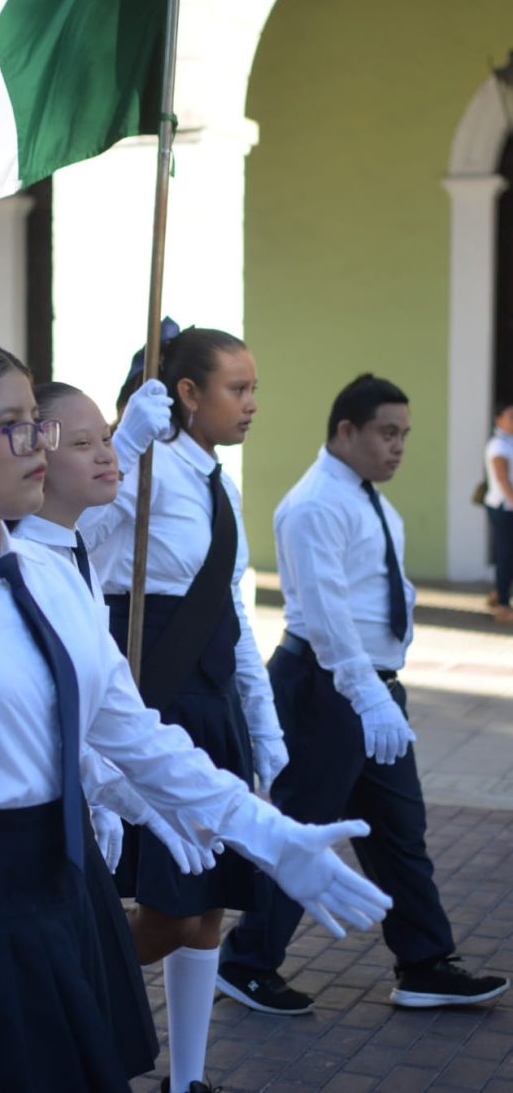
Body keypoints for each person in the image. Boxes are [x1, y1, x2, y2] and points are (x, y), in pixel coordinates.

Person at [0, 338, 390, 1093]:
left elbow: (137, 738)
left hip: (55, 908)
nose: (39, 449)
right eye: (15, 428)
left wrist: (273, 837)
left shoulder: (43, 575)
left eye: (39, 427)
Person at [218, 374, 510, 1016]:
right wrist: (365, 694)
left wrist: (381, 693)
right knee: (304, 829)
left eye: (404, 434)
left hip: (369, 690)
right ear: (345, 431)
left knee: (400, 833)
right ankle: (246, 962)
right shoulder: (317, 502)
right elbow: (324, 615)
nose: (398, 447)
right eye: (387, 433)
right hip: (328, 688)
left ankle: (426, 963)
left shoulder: (367, 498)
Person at [78, 327, 286, 1093]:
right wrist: (125, 449)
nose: (252, 404)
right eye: (238, 388)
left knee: (209, 910)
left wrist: (262, 725)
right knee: (167, 909)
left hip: (212, 695)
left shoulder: (216, 483)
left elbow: (232, 606)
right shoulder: (144, 470)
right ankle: (62, 1006)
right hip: (155, 693)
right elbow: (80, 543)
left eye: (254, 388)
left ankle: (187, 1079)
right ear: (188, 395)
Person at [11, 378, 223, 1083]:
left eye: (107, 438)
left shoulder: (71, 552)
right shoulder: (26, 564)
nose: (107, 456)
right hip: (29, 836)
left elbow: (105, 713)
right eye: (85, 443)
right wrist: (122, 797)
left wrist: (127, 799)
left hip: (85, 805)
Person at [483, 399, 513, 623]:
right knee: (506, 556)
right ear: (498, 419)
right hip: (504, 507)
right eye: (511, 416)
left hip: (507, 507)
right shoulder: (498, 446)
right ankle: (502, 605)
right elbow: (503, 480)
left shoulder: (508, 442)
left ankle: (498, 594)